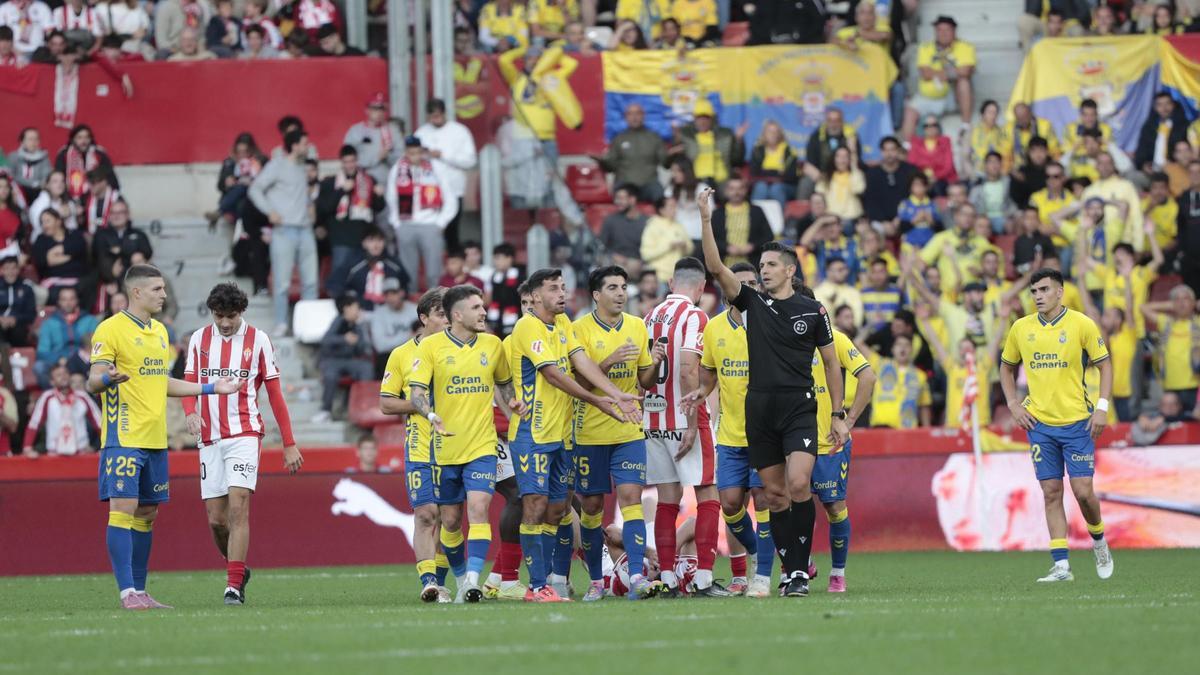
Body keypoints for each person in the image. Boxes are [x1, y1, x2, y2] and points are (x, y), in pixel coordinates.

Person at [698, 187, 848, 597]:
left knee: (799, 485)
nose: (762, 270)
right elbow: (715, 267)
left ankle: (797, 570)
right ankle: (792, 573)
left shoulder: (813, 311)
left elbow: (833, 363)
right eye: (760, 264)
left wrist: (838, 413)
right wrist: (706, 219)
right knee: (775, 496)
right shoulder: (752, 304)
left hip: (799, 408)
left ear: (789, 272)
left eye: (769, 265)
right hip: (758, 411)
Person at [89, 264, 242, 610]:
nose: (164, 294)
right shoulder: (110, 330)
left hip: (155, 438)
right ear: (137, 292)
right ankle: (127, 592)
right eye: (158, 289)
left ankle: (141, 591)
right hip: (124, 436)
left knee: (147, 514)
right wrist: (107, 379)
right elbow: (93, 379)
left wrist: (211, 388)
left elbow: (163, 382)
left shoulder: (159, 332)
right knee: (123, 510)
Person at [508, 268, 639, 601]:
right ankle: (536, 586)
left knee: (557, 509)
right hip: (532, 432)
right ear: (535, 296)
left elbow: (582, 362)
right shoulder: (527, 326)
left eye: (564, 287)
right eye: (554, 289)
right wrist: (597, 399)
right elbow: (552, 375)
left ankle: (549, 580)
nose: (562, 294)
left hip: (562, 434)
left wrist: (616, 394)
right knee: (535, 506)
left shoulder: (564, 325)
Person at [182, 283, 302, 605]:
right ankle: (238, 568)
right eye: (219, 316)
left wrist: (288, 443)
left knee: (239, 508)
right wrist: (191, 413)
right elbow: (189, 385)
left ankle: (232, 586)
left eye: (230, 316)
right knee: (216, 520)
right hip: (208, 437)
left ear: (242, 312)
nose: (224, 323)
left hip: (245, 434)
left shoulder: (259, 340)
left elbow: (275, 394)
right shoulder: (198, 340)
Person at [1000, 267, 1114, 583]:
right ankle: (1061, 565)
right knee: (1051, 491)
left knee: (1083, 492)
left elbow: (1105, 365)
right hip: (1040, 423)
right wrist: (1013, 404)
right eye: (1034, 291)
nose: (1038, 296)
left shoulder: (1081, 324)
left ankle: (1099, 539)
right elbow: (1006, 368)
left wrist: (1101, 408)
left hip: (1077, 421)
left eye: (1044, 290)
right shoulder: (1021, 328)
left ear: (1060, 291)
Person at [408, 285, 522, 602]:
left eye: (482, 306)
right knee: (451, 521)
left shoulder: (493, 345)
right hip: (444, 447)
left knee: (479, 508)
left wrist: (513, 403)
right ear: (457, 315)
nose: (483, 312)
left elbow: (504, 383)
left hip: (482, 446)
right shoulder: (431, 348)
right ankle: (461, 582)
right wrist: (431, 416)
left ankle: (473, 580)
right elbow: (416, 393)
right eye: (476, 307)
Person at [681, 263, 775, 597]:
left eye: (753, 283)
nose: (748, 288)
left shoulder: (769, 322)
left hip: (766, 433)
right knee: (731, 505)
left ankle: (762, 577)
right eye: (741, 283)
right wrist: (701, 393)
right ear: (726, 292)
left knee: (764, 501)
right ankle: (760, 551)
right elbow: (709, 374)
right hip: (731, 434)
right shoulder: (714, 328)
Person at [571, 266, 664, 601]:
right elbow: (576, 385)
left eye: (624, 287)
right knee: (592, 507)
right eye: (613, 287)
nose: (621, 293)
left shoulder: (638, 326)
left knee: (632, 501)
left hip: (628, 429)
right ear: (596, 295)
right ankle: (597, 580)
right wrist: (607, 361)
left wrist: (654, 362)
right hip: (589, 433)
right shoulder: (578, 330)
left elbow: (645, 382)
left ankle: (637, 575)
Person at [640, 257, 729, 597]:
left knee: (667, 499)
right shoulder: (695, 316)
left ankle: (667, 576)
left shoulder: (649, 317)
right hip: (684, 418)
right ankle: (704, 578)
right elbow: (689, 368)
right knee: (708, 494)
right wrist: (692, 422)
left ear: (670, 282)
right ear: (702, 287)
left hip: (653, 419)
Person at [380, 287, 452, 602]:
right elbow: (386, 404)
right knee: (425, 514)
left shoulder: (461, 350)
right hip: (421, 447)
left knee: (451, 519)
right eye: (441, 314)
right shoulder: (401, 354)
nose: (448, 319)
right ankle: (428, 581)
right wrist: (425, 405)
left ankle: (444, 581)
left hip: (458, 446)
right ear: (423, 318)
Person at [248, 129, 318, 335]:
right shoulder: (277, 165)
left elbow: (298, 194)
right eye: (305, 143)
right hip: (284, 230)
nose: (308, 147)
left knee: (311, 282)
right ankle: (281, 323)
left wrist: (309, 206)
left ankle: (309, 325)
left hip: (305, 229)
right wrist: (270, 212)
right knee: (282, 283)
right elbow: (254, 189)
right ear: (295, 145)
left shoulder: (303, 167)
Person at [386, 136, 458, 293]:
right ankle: (412, 306)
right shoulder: (398, 169)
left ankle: (437, 305)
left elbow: (450, 197)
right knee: (408, 271)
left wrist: (441, 222)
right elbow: (391, 198)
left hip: (430, 225)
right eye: (411, 153)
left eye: (418, 153)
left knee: (434, 272)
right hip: (406, 224)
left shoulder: (435, 167)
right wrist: (397, 224)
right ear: (406, 152)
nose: (415, 157)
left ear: (422, 152)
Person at [415, 99, 477, 252]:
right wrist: (423, 156)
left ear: (444, 113)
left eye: (438, 116)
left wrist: (443, 155)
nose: (435, 119)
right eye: (432, 116)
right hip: (428, 191)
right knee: (430, 232)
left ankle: (453, 266)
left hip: (454, 189)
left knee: (452, 231)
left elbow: (470, 161)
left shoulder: (460, 131)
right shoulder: (421, 133)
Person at [901, 16, 976, 139]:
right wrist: (953, 72)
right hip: (929, 95)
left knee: (964, 82)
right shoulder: (925, 48)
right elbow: (925, 73)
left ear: (954, 31)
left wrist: (937, 73)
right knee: (910, 110)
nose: (943, 33)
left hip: (953, 96)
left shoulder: (965, 47)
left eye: (947, 30)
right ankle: (906, 147)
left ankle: (965, 125)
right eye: (939, 30)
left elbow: (966, 71)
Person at [315, 145, 384, 276]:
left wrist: (379, 196)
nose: (350, 165)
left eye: (352, 161)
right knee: (339, 275)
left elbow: (378, 208)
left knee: (364, 276)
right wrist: (341, 191)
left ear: (357, 161)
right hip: (341, 239)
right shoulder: (330, 182)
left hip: (364, 238)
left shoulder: (369, 181)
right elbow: (323, 209)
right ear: (341, 162)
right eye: (346, 162)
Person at [315, 294, 373, 424]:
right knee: (330, 375)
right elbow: (326, 341)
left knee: (366, 368)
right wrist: (344, 339)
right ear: (347, 308)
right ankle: (326, 410)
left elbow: (362, 349)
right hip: (331, 360)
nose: (358, 311)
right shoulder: (338, 321)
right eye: (356, 308)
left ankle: (363, 405)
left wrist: (358, 342)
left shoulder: (357, 325)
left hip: (349, 360)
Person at [1141, 285, 1200, 412]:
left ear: (1193, 302)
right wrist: (1171, 304)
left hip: (1194, 386)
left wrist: (1195, 305)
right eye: (1177, 299)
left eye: (1185, 299)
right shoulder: (1166, 322)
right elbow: (1143, 308)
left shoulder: (1198, 322)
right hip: (1170, 386)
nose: (1181, 303)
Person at [669, 99, 745, 195]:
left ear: (712, 119)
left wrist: (738, 140)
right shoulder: (686, 136)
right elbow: (669, 163)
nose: (702, 122)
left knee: (734, 191)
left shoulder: (725, 135)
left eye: (706, 118)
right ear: (694, 119)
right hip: (695, 180)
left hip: (722, 180)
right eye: (699, 118)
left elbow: (737, 160)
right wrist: (676, 142)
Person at [22, 362, 100, 457]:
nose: (63, 377)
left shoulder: (82, 396)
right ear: (52, 381)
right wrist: (27, 447)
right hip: (55, 453)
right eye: (58, 375)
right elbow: (34, 423)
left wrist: (104, 447)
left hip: (81, 452)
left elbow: (99, 422)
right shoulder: (47, 397)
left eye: (65, 373)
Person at [596, 103, 666, 203]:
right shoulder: (619, 139)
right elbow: (610, 167)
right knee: (621, 197)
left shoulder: (654, 138)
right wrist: (602, 161)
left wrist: (673, 153)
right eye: (630, 114)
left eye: (637, 113)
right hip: (625, 184)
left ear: (643, 116)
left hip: (649, 184)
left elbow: (665, 163)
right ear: (625, 117)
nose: (634, 117)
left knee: (661, 199)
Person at [36, 286, 99, 386]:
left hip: (83, 360)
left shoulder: (89, 320)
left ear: (77, 300)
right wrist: (58, 359)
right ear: (59, 302)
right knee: (39, 367)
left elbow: (97, 345)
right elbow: (42, 352)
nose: (68, 303)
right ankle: (55, 398)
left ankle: (91, 397)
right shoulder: (49, 323)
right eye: (64, 299)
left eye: (71, 299)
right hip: (59, 362)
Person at [801, 108, 855, 200]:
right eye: (830, 120)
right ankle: (802, 211)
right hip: (822, 175)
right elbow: (810, 162)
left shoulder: (850, 136)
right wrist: (821, 177)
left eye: (836, 120)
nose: (833, 124)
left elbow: (855, 160)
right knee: (806, 182)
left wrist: (852, 147)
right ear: (826, 121)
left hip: (845, 174)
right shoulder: (816, 136)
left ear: (842, 122)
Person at [863, 136, 918, 226]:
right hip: (881, 221)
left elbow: (915, 196)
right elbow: (870, 202)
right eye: (886, 150)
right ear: (881, 152)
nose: (889, 154)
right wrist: (883, 222)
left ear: (898, 151)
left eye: (892, 150)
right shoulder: (872, 174)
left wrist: (901, 217)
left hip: (909, 217)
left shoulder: (910, 171)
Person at [1133, 92, 1189, 180]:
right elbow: (1141, 150)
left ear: (1173, 105)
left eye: (1167, 104)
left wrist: (1172, 165)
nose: (1164, 108)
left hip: (1175, 169)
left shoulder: (1183, 125)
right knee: (1133, 177)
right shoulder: (1149, 127)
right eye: (1160, 105)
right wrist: (1144, 165)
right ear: (1155, 108)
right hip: (1152, 171)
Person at [55, 124, 117, 202]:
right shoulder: (64, 155)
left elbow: (112, 180)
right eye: (79, 137)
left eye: (86, 137)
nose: (83, 141)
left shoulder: (99, 154)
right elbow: (58, 180)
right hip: (69, 199)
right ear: (73, 139)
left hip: (96, 198)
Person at [31, 207, 87, 287]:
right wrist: (71, 256)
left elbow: (80, 248)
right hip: (53, 283)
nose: (44, 225)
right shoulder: (40, 240)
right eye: (42, 222)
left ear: (58, 221)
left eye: (47, 221)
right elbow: (44, 261)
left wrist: (57, 251)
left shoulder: (74, 234)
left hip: (78, 279)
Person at [599, 184, 648, 275]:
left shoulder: (646, 222)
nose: (617, 201)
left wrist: (641, 261)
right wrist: (613, 255)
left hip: (639, 263)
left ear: (632, 200)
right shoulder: (610, 220)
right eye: (617, 198)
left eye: (621, 198)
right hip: (615, 262)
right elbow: (601, 245)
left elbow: (651, 248)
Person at [640, 195, 692, 280]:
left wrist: (685, 246)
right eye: (671, 206)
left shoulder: (679, 225)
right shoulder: (652, 226)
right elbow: (646, 254)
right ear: (661, 210)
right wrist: (669, 246)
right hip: (658, 277)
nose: (675, 209)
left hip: (677, 277)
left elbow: (690, 248)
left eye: (676, 206)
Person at [748, 120, 799, 206]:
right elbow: (754, 172)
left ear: (780, 134)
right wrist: (777, 172)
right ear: (764, 134)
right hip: (762, 184)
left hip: (785, 185)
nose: (773, 134)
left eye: (776, 132)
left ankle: (779, 219)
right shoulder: (757, 150)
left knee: (776, 188)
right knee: (761, 187)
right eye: (770, 131)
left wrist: (766, 172)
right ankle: (755, 217)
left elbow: (791, 175)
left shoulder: (789, 151)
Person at [815, 146, 866, 224]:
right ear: (833, 159)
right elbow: (818, 196)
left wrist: (854, 167)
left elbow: (858, 189)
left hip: (851, 219)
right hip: (830, 218)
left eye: (845, 157)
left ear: (850, 160)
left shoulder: (856, 174)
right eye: (838, 156)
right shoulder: (826, 177)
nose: (842, 160)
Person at [908, 116, 958, 194]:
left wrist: (935, 177)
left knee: (937, 187)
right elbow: (912, 164)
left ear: (938, 127)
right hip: (922, 179)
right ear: (922, 128)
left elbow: (948, 166)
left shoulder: (945, 141)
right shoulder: (916, 143)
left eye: (934, 125)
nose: (930, 128)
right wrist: (925, 177)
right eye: (926, 126)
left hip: (942, 179)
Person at [814, 257, 865, 328]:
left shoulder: (854, 292)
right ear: (828, 271)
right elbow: (820, 319)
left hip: (851, 334)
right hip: (828, 335)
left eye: (845, 269)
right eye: (840, 270)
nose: (845, 273)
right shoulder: (818, 292)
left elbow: (858, 319)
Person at [486, 243, 523, 336]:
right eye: (495, 258)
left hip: (515, 317)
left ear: (509, 258)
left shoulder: (520, 276)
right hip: (496, 319)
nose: (496, 262)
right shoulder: (494, 276)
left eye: (498, 258)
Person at [0, 256, 36, 346]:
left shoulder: (26, 288)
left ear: (18, 270)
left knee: (18, 331)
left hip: (18, 325)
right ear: (2, 270)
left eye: (13, 268)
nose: (10, 272)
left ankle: (17, 358)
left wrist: (15, 319)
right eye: (7, 268)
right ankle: (3, 357)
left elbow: (31, 314)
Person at [10, 128, 51, 198]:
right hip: (17, 193)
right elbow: (10, 176)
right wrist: (33, 183)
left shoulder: (44, 158)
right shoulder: (14, 157)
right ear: (22, 142)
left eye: (36, 139)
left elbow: (46, 177)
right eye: (30, 139)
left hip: (38, 193)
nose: (33, 142)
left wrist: (39, 184)